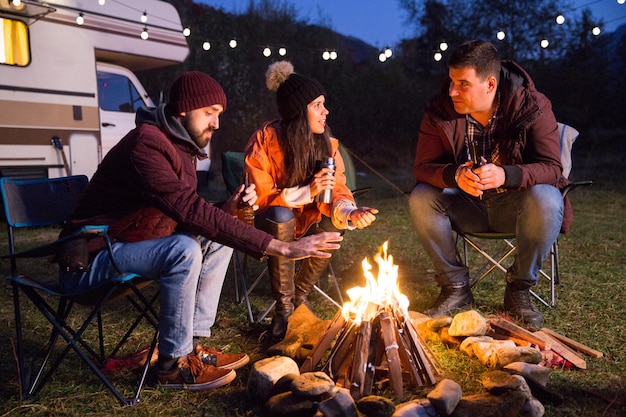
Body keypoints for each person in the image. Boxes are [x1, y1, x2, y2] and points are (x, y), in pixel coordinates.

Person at [59, 71, 342, 391]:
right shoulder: (146, 146)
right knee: (183, 249)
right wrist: (281, 247)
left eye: (219, 114)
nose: (216, 124)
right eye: (209, 113)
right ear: (183, 110)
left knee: (216, 240)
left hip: (129, 245)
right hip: (92, 258)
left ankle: (192, 345)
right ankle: (170, 364)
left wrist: (229, 208)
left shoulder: (180, 146)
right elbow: (188, 210)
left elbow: (185, 215)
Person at [408, 40, 571, 328]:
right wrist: (454, 175)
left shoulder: (532, 106)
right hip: (466, 204)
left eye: (462, 84)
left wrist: (507, 175)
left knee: (547, 197)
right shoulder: (440, 111)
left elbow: (552, 169)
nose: (452, 91)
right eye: (451, 81)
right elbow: (422, 167)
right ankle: (456, 287)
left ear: (490, 84)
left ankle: (519, 289)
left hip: (516, 206)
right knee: (421, 196)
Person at [244, 61, 378, 342]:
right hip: (272, 227)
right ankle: (283, 309)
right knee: (281, 215)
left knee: (333, 220)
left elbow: (337, 188)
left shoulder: (326, 145)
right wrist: (307, 191)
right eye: (317, 104)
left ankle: (297, 299)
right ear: (297, 111)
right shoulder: (264, 141)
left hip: (308, 224)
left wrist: (350, 211)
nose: (325, 111)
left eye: (324, 104)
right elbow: (261, 198)